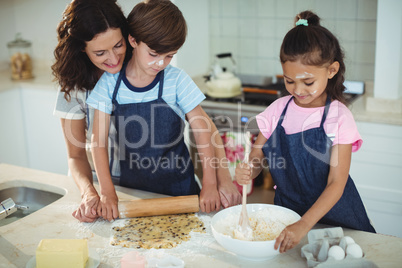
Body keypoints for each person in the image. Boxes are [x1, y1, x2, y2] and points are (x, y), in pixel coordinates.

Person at [53, 0, 240, 223]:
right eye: (101, 52)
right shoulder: (99, 85)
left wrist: (218, 181)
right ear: (82, 49)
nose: (113, 59)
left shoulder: (173, 78)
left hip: (179, 190)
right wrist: (97, 193)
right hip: (124, 194)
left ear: (128, 38)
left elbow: (206, 130)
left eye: (118, 45)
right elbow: (83, 151)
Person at [235, 10, 375, 253]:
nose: (298, 90)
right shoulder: (276, 111)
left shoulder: (338, 117)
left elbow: (336, 183)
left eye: (307, 82)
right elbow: (256, 158)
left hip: (338, 222)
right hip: (288, 218)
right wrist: (247, 170)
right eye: (289, 81)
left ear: (331, 70)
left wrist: (305, 224)